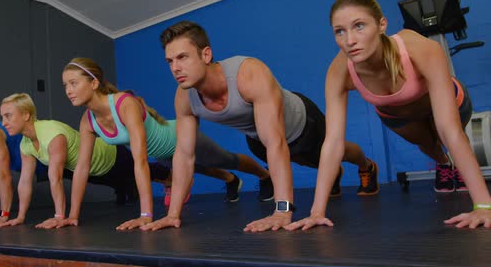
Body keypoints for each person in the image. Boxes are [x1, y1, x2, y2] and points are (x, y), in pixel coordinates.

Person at [287, 0, 491, 231]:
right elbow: (332, 142)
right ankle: (445, 165)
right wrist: (316, 212)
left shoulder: (419, 48)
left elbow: (450, 129)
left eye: (359, 26)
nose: (349, 40)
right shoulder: (339, 71)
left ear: (381, 24)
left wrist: (483, 206)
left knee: (443, 132)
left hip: (452, 104)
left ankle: (463, 172)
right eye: (339, 31)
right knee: (429, 146)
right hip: (399, 116)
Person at [143, 20, 377, 232]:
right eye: (170, 61)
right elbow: (184, 155)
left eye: (182, 57)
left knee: (338, 152)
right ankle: (333, 171)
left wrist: (283, 210)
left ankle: (366, 165)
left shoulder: (248, 74)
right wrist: (172, 215)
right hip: (258, 138)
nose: (175, 68)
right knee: (308, 162)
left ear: (206, 55)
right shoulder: (184, 98)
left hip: (303, 123)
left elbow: (276, 143)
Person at [61, 58, 272, 230]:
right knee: (203, 169)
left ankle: (265, 175)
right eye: (65, 85)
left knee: (226, 159)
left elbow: (140, 160)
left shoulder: (123, 104)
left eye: (73, 83)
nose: (68, 90)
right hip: (164, 155)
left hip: (179, 136)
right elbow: (82, 168)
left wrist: (145, 215)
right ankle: (231, 180)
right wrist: (72, 216)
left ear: (94, 83)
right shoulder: (87, 121)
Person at [0, 93, 172, 229]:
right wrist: (20, 217)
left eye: (8, 116)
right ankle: (127, 186)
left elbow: (55, 178)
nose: (3, 122)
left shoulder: (51, 134)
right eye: (2, 117)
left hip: (110, 156)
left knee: (150, 172)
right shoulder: (25, 143)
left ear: (26, 115)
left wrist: (59, 217)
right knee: (121, 184)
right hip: (89, 172)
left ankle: (172, 178)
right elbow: (25, 181)